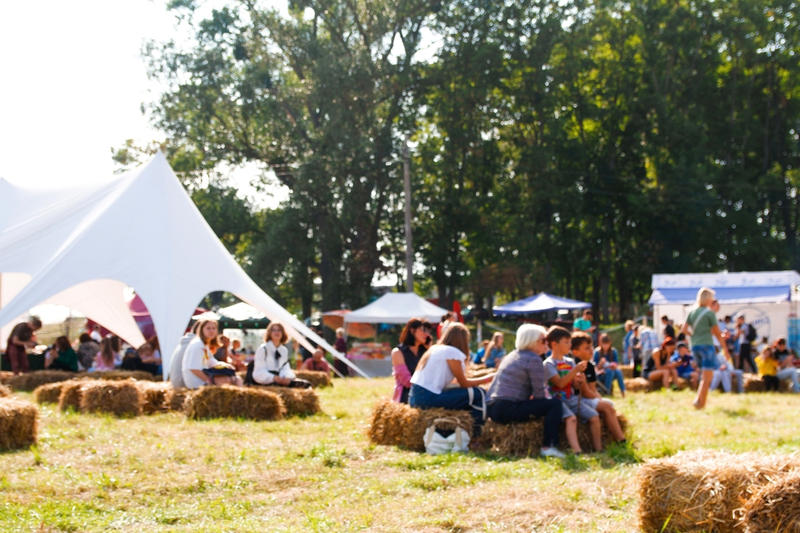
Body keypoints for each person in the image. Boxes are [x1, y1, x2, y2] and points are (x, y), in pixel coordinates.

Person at [486, 324, 568, 458]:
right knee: (554, 404)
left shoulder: (512, 355)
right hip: (507, 408)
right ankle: (549, 446)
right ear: (532, 342)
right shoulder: (533, 359)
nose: (546, 344)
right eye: (543, 340)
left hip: (493, 408)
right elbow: (539, 395)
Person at [409, 323, 495, 434]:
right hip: (427, 398)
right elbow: (464, 383)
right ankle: (477, 434)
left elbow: (454, 382)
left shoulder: (435, 349)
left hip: (414, 397)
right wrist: (489, 378)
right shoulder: (452, 352)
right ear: (462, 340)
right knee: (479, 393)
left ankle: (459, 430)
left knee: (466, 395)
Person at [543, 326, 601, 453]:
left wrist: (579, 381)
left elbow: (574, 385)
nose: (570, 345)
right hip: (557, 401)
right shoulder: (549, 364)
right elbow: (560, 383)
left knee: (594, 416)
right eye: (566, 342)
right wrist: (575, 371)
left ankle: (599, 449)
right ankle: (577, 451)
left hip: (571, 398)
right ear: (554, 344)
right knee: (572, 419)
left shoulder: (569, 361)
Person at [570, 332, 626, 446]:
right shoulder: (573, 365)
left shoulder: (590, 365)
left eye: (591, 347)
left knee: (608, 405)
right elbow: (585, 392)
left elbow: (592, 389)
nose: (591, 350)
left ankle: (616, 439)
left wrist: (598, 398)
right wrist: (599, 400)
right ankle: (621, 440)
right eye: (586, 348)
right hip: (576, 399)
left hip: (587, 397)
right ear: (575, 352)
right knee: (607, 406)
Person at [680, 289, 729, 409]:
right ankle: (699, 402)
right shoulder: (709, 313)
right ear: (708, 299)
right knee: (708, 377)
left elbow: (684, 329)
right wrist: (725, 350)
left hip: (695, 347)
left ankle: (700, 402)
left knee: (705, 375)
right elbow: (717, 333)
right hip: (707, 346)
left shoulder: (692, 312)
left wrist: (694, 336)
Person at [182, 319, 240, 389]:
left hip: (201, 378)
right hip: (196, 383)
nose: (211, 331)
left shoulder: (203, 344)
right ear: (201, 330)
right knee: (234, 379)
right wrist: (209, 381)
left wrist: (224, 365)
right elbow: (193, 368)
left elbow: (210, 360)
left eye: (214, 328)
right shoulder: (197, 345)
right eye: (208, 328)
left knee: (235, 378)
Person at [252, 322, 309, 388]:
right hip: (266, 380)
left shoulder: (283, 350)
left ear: (283, 333)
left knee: (306, 384)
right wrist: (274, 378)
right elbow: (258, 371)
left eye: (279, 330)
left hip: (280, 378)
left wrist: (286, 378)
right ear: (269, 333)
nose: (277, 332)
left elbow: (285, 368)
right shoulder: (263, 349)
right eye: (274, 330)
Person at [391, 318, 432, 403]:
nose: (427, 334)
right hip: (406, 395)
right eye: (423, 330)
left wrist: (430, 349)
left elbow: (435, 373)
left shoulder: (426, 351)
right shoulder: (398, 352)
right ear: (412, 330)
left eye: (428, 331)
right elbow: (406, 381)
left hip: (425, 392)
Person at [169, 322, 200, 388]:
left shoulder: (188, 341)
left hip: (176, 383)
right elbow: (194, 368)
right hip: (183, 384)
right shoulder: (196, 344)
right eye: (208, 329)